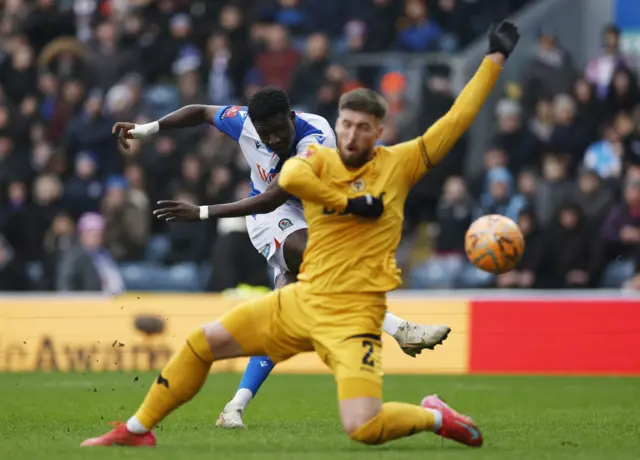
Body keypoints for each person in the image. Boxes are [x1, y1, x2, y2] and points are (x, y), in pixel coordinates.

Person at [81, 20, 519, 448]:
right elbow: (209, 122)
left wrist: (494, 61)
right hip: (286, 235)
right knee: (205, 340)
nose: (348, 134)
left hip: (351, 309)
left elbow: (458, 119)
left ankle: (434, 414)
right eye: (345, 124)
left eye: (361, 128)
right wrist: (146, 129)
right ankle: (137, 431)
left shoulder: (379, 158)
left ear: (378, 133)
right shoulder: (274, 139)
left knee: (363, 427)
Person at [113, 87, 451, 429]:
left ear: (292, 118)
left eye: (280, 130)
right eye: (266, 134)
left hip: (302, 210)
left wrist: (200, 212)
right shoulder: (243, 122)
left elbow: (276, 195)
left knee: (283, 313)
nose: (274, 138)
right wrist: (148, 129)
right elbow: (201, 111)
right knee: (318, 260)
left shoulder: (315, 139)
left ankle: (234, 407)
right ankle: (398, 328)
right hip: (268, 219)